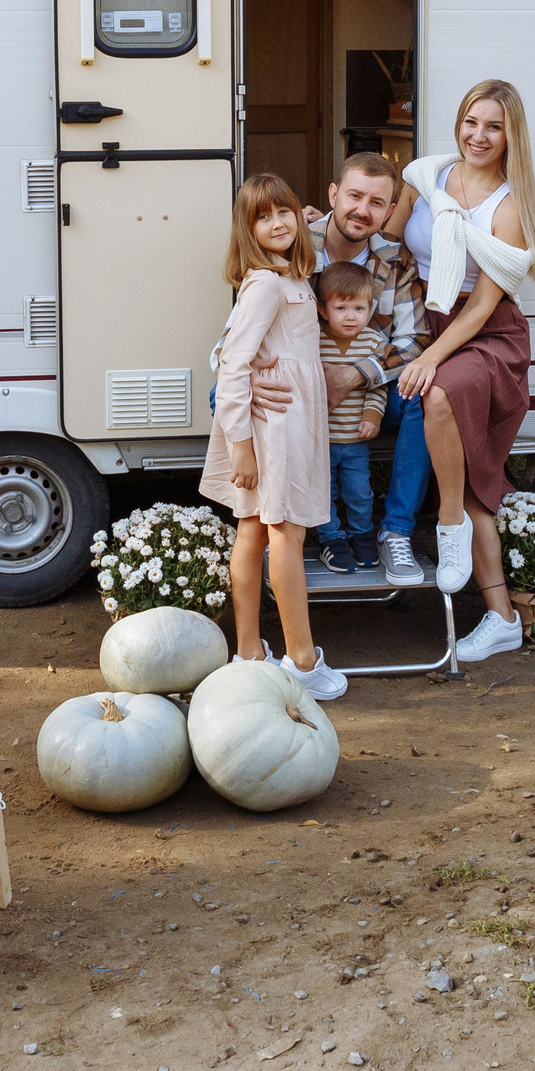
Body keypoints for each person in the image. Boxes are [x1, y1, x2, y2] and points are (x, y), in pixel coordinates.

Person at [389, 79, 535, 662]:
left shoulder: (509, 207)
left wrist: (431, 355)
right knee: (482, 485)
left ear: (511, 137)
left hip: (487, 335)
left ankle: (446, 525)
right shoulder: (425, 177)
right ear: (457, 124)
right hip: (426, 315)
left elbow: (483, 305)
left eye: (493, 127)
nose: (478, 136)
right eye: (470, 122)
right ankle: (503, 619)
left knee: (440, 395)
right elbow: (385, 236)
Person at [250, 153, 436, 586]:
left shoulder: (395, 263)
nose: (362, 210)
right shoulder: (289, 243)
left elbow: (415, 340)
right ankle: (269, 530)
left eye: (376, 203)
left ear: (390, 212)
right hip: (294, 391)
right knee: (222, 397)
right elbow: (236, 336)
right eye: (354, 196)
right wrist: (256, 377)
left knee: (425, 396)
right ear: (334, 194)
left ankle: (396, 532)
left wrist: (354, 374)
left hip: (361, 399)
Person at [198, 174, 347, 701]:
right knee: (284, 534)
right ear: (248, 229)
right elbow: (234, 364)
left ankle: (248, 653)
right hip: (274, 426)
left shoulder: (290, 274)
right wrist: (240, 443)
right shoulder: (265, 284)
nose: (278, 222)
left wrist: (309, 218)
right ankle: (303, 662)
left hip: (283, 419)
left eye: (284, 211)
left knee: (253, 532)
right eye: (264, 217)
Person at [309, 263, 388, 575]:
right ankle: (331, 539)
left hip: (355, 439)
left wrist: (372, 416)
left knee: (359, 491)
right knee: (323, 492)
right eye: (341, 308)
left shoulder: (372, 343)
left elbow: (376, 386)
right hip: (321, 440)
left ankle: (361, 535)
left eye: (359, 308)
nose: (351, 316)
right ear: (324, 310)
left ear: (370, 309)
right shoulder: (314, 340)